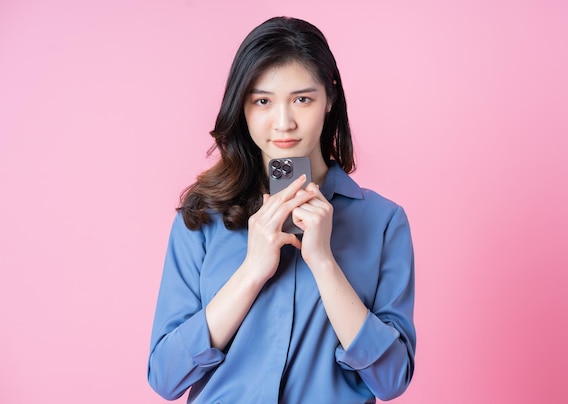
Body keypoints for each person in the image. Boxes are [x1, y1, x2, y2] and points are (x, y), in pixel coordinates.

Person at [148, 16, 416, 403]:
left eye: (302, 99)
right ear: (242, 106)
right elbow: (165, 376)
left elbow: (392, 380)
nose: (284, 123)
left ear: (330, 98)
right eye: (262, 101)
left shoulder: (383, 222)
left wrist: (324, 263)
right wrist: (251, 272)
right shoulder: (202, 217)